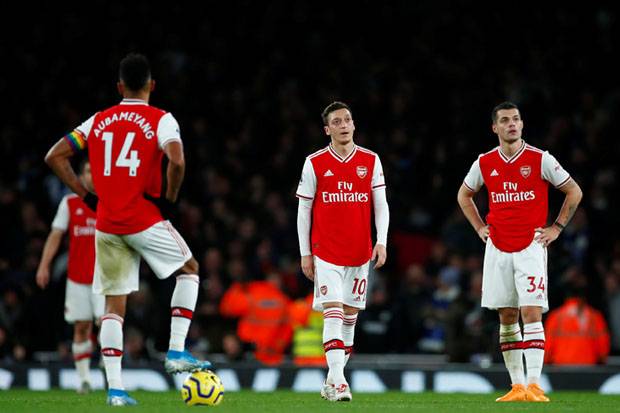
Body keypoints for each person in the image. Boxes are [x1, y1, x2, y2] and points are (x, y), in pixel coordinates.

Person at [44, 53, 210, 406]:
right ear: (152, 85)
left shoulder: (98, 120)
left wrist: (86, 196)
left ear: (119, 86)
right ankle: (177, 351)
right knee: (190, 270)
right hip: (142, 217)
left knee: (112, 308)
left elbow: (54, 156)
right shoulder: (161, 119)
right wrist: (170, 198)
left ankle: (116, 390)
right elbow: (177, 160)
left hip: (106, 222)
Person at [457, 101, 583, 402]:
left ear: (522, 124)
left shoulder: (540, 159)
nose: (511, 124)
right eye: (505, 120)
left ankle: (536, 384)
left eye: (516, 119)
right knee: (507, 315)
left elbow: (574, 191)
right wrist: (479, 228)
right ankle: (516, 387)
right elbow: (464, 195)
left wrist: (556, 228)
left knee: (531, 312)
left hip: (530, 246)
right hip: (498, 248)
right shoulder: (485, 162)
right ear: (495, 127)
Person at [296, 101, 389, 402]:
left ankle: (330, 380)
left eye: (347, 119)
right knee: (333, 312)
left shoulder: (371, 160)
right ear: (327, 130)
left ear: (353, 124)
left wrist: (382, 240)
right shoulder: (315, 162)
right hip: (326, 252)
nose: (344, 124)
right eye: (337, 121)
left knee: (350, 317)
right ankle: (339, 382)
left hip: (360, 253)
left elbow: (381, 205)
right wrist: (305, 253)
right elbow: (304, 210)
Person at [35, 161, 104, 394]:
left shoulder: (110, 202)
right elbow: (56, 235)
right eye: (86, 171)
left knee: (106, 324)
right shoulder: (70, 203)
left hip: (105, 278)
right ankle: (84, 380)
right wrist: (44, 265)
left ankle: (110, 367)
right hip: (77, 278)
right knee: (81, 327)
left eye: (95, 172)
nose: (91, 176)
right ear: (81, 175)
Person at [545, 268, 610, 365]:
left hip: (560, 372)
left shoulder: (555, 317)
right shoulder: (595, 317)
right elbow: (603, 352)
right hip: (589, 372)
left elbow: (546, 352)